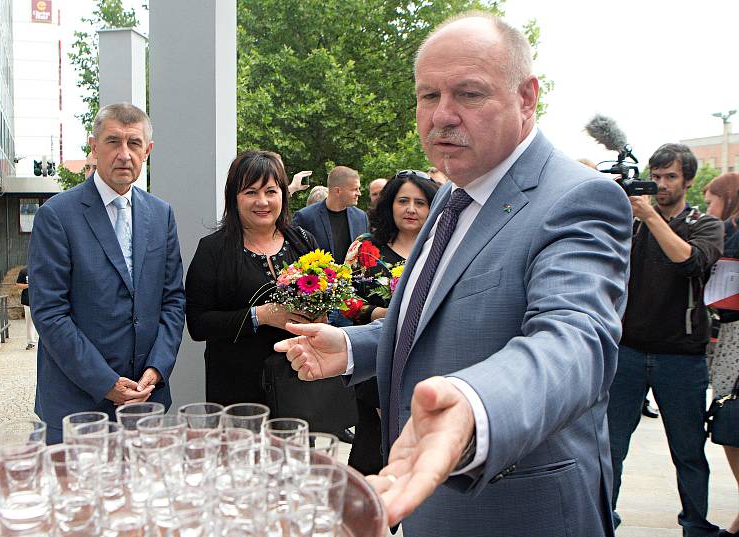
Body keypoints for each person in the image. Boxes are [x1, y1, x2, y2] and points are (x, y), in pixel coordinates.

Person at [275, 11, 632, 536]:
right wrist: (355, 346)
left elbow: (575, 341)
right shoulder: (452, 192)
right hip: (426, 505)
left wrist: (474, 404)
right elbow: (442, 316)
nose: (441, 115)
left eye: (468, 94)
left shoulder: (579, 198)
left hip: (517, 511)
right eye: (427, 96)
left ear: (527, 97)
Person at [28, 102, 186, 444]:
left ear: (148, 150)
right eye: (113, 142)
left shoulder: (161, 215)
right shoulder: (57, 216)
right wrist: (105, 382)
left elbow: (173, 300)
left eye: (134, 143)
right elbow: (50, 313)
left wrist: (157, 369)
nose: (124, 154)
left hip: (146, 403)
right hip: (76, 406)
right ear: (93, 146)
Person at [608, 143, 723, 536]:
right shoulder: (634, 223)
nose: (659, 185)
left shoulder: (705, 224)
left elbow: (689, 261)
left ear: (688, 180)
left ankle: (695, 525)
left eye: (669, 177)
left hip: (682, 355)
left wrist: (651, 216)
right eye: (654, 177)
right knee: (610, 448)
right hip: (628, 350)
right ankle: (603, 519)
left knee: (689, 452)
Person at [184, 151, 323, 405]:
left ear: (283, 194)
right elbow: (198, 324)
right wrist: (263, 315)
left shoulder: (303, 242)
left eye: (271, 191)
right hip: (237, 390)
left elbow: (325, 298)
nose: (263, 201)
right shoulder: (213, 250)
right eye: (251, 192)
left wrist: (322, 316)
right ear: (234, 198)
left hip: (299, 386)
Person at [344, 170, 438, 476]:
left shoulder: (440, 250)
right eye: (403, 201)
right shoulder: (365, 246)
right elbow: (344, 298)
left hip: (427, 363)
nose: (411, 209)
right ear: (390, 205)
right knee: (370, 453)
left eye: (420, 202)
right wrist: (377, 315)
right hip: (374, 364)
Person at [703, 173, 739, 537]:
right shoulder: (728, 229)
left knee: (730, 419)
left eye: (713, 201)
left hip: (736, 336)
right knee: (729, 424)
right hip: (728, 333)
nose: (709, 209)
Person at [292, 165, 368, 263]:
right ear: (337, 191)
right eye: (354, 189)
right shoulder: (305, 217)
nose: (359, 193)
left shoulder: (361, 217)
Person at [16, 266, 37, 350]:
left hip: (40, 301)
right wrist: (29, 285)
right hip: (27, 301)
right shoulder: (24, 271)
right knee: (29, 322)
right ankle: (31, 342)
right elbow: (18, 284)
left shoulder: (42, 268)